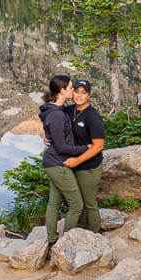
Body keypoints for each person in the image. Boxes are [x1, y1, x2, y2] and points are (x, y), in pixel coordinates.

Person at [38, 74, 88, 247]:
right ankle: (66, 243)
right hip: (58, 163)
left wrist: (47, 135)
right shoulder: (57, 115)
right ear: (62, 90)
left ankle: (52, 241)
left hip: (52, 162)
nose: (73, 90)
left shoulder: (53, 109)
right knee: (76, 205)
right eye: (71, 87)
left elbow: (44, 117)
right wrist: (86, 148)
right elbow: (61, 147)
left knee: (54, 202)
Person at [62, 79, 105, 232]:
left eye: (83, 92)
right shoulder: (69, 110)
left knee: (89, 203)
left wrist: (77, 160)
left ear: (89, 96)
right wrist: (47, 137)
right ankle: (80, 231)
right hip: (74, 165)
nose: (79, 95)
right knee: (75, 202)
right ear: (72, 92)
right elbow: (51, 120)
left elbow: (98, 145)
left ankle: (94, 235)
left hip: (89, 167)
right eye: (76, 91)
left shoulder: (92, 117)